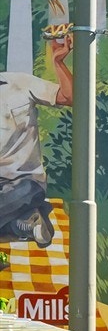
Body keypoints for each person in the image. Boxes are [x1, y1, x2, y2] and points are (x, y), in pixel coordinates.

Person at [0, 22, 72, 247]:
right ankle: (27, 222)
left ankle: (27, 217)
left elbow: (68, 97)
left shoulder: (18, 83)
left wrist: (58, 62)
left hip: (25, 183)